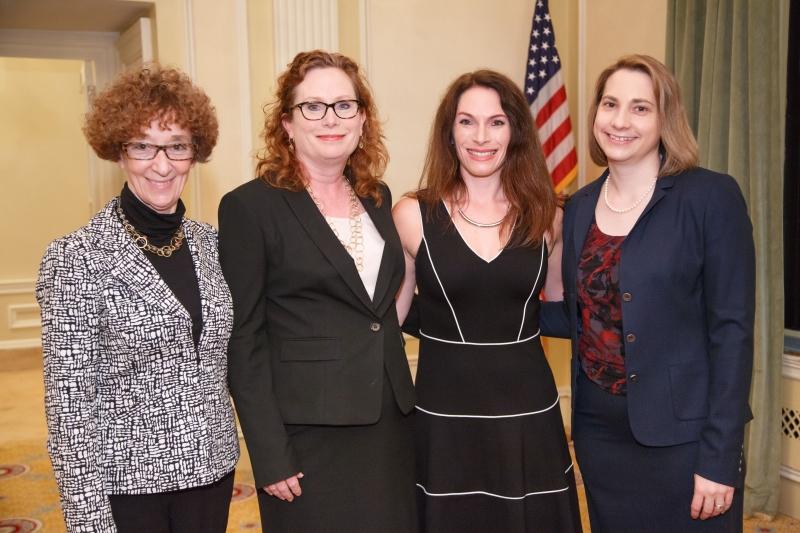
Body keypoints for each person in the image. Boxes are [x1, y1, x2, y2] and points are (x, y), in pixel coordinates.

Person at [540, 54, 755, 532]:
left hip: (685, 442)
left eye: (640, 108)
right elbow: (585, 317)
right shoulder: (579, 208)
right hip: (600, 438)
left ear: (665, 119)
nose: (620, 121)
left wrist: (719, 458)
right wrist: (487, 308)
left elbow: (732, 334)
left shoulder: (710, 198)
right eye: (610, 104)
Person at [218, 49, 417, 532]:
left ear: (362, 117)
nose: (330, 119)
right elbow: (244, 339)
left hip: (389, 419)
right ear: (287, 122)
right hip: (308, 435)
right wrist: (268, 453)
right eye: (313, 106)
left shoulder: (376, 196)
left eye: (344, 105)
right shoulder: (250, 207)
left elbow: (379, 308)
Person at [36, 65, 239, 533]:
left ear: (195, 152)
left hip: (212, 472)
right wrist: (88, 519)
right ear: (119, 151)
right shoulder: (76, 258)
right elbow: (69, 406)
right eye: (143, 146)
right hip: (127, 488)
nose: (162, 164)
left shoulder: (213, 245)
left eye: (177, 146)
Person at [393, 69, 582, 533]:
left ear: (515, 131)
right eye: (467, 122)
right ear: (449, 132)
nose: (481, 136)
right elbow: (391, 314)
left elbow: (558, 308)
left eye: (496, 122)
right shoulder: (411, 214)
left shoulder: (550, 217)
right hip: (442, 412)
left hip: (526, 414)